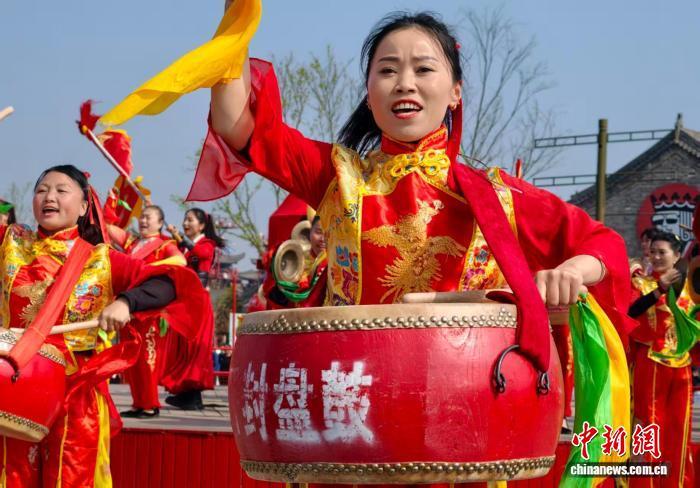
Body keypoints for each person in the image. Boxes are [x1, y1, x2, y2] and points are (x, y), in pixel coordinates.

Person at [187, 8, 636, 486]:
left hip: (459, 437)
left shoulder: (496, 196)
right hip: (353, 431)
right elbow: (239, 126)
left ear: (455, 91)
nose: (405, 83)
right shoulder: (338, 178)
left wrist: (571, 272)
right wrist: (236, 23)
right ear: (369, 93)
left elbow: (602, 245)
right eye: (387, 70)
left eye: (423, 69)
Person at [0, 165, 208, 487]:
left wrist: (126, 301)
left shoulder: (102, 260)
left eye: (61, 190)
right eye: (42, 190)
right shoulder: (11, 243)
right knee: (12, 476)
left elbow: (171, 281)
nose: (49, 197)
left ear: (84, 206)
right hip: (15, 385)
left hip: (75, 392)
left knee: (70, 479)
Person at [628, 231, 696, 487]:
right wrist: (660, 289)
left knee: (679, 427)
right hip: (651, 362)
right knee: (649, 425)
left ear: (677, 256)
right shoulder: (641, 285)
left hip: (682, 365)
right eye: (652, 252)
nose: (655, 257)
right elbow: (630, 311)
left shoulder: (690, 288)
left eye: (662, 252)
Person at [107, 205, 187, 418]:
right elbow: (108, 228)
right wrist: (112, 201)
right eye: (142, 217)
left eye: (148, 218)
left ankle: (150, 404)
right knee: (131, 358)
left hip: (149, 310)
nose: (143, 221)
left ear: (160, 223)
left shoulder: (165, 245)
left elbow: (181, 261)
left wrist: (150, 268)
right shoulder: (132, 243)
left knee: (147, 358)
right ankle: (139, 403)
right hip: (127, 307)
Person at [162, 208, 224, 410]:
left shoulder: (207, 244)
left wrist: (180, 238)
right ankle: (187, 394)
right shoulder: (185, 247)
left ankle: (192, 396)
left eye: (190, 220)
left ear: (202, 225)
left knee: (195, 347)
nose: (185, 223)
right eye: (185, 220)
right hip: (186, 300)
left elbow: (201, 253)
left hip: (198, 301)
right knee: (184, 347)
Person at [265, 215, 328, 308]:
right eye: (318, 232)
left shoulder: (338, 265)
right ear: (309, 232)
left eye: (328, 233)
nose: (323, 239)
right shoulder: (296, 260)